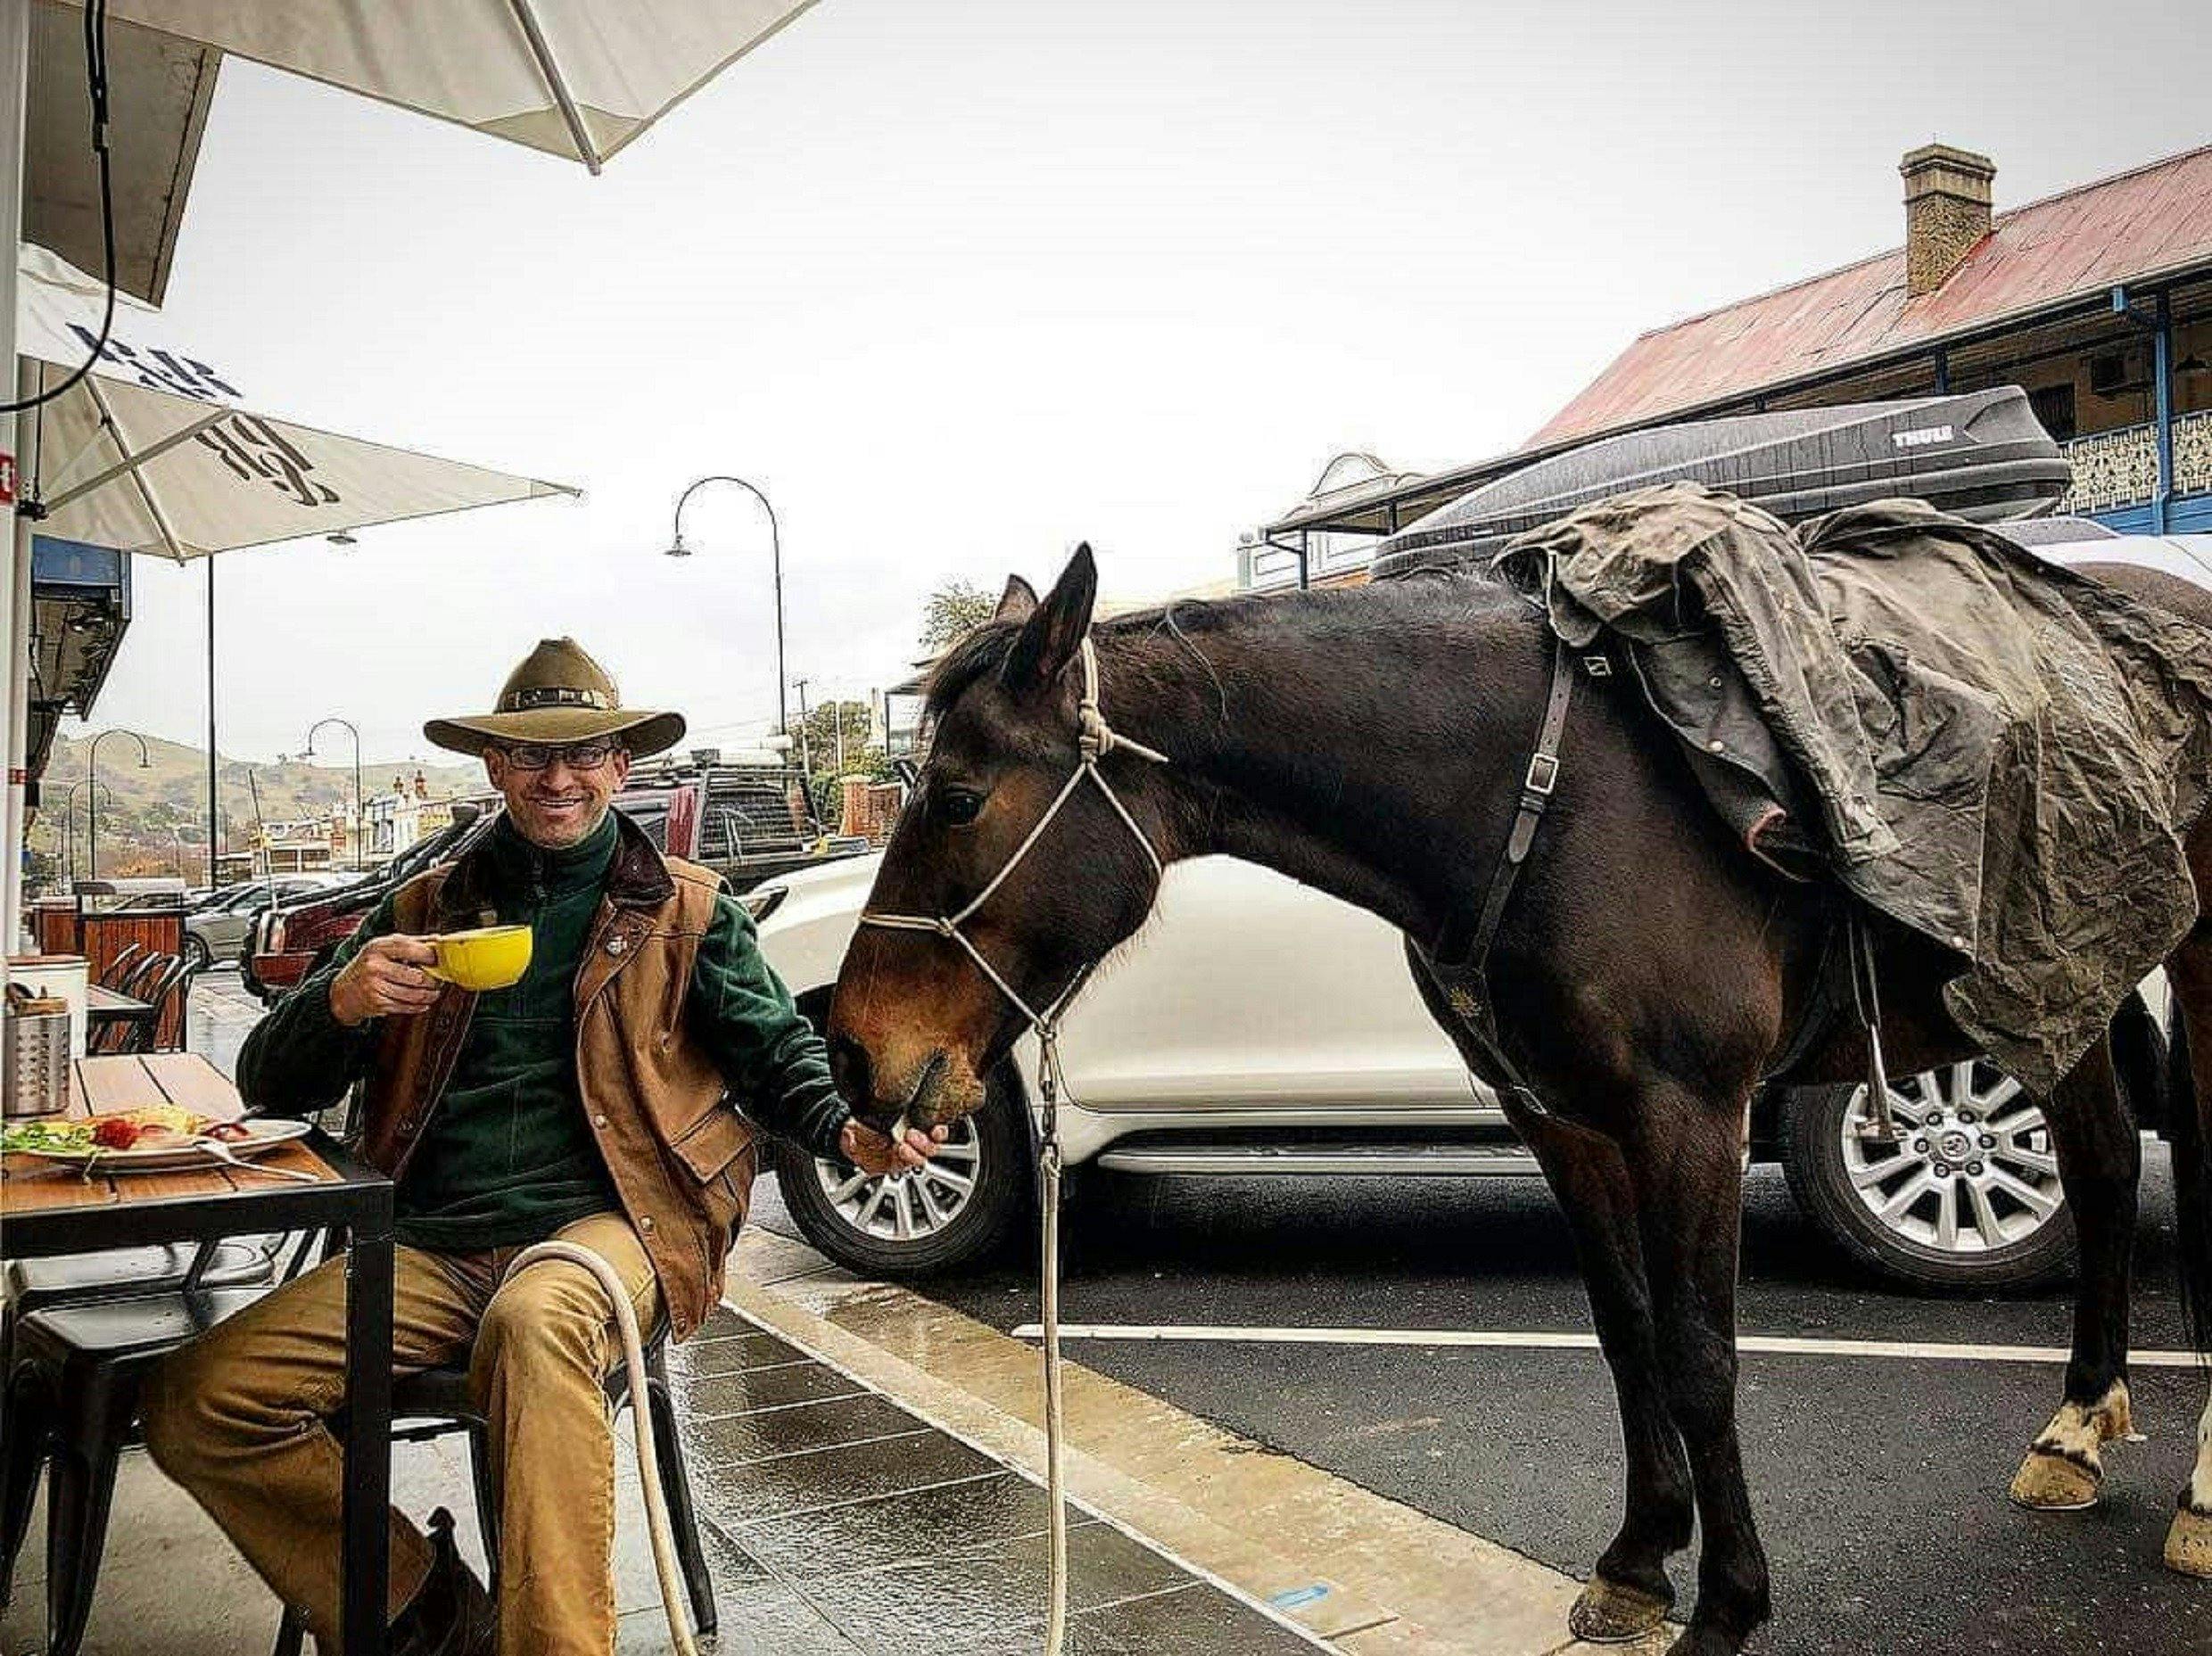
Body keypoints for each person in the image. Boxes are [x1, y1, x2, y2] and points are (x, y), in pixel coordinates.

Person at [142, 639, 942, 1656]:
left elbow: (776, 1051)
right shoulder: (422, 910)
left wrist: (845, 1128)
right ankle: (427, 1613)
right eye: (530, 756)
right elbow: (270, 1082)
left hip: (613, 1228)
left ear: (621, 765)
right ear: (493, 767)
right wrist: (341, 1003)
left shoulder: (687, 911)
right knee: (198, 1400)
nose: (556, 778)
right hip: (431, 1246)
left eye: (584, 753)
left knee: (537, 1319)